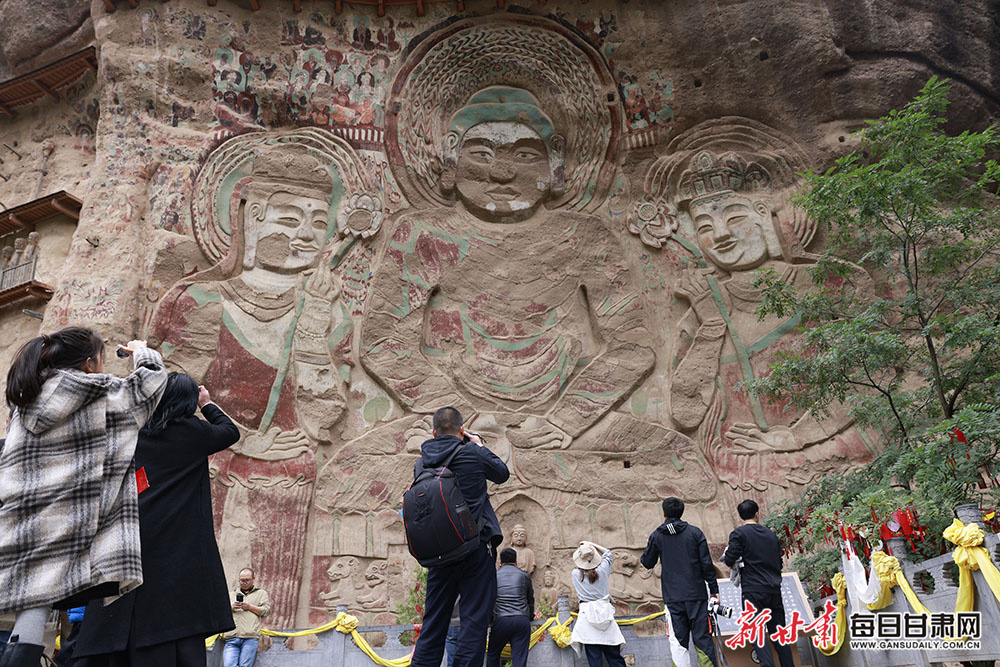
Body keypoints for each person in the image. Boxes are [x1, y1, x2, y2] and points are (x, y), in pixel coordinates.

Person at [0, 328, 167, 665]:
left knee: (32, 602)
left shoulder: (25, 400)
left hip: (20, 518)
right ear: (90, 364)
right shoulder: (97, 393)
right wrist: (142, 351)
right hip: (67, 520)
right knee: (37, 602)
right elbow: (149, 385)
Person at [72, 373, 241, 666]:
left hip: (132, 531)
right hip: (176, 541)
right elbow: (229, 431)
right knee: (169, 617)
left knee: (124, 603)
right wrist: (207, 404)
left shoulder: (136, 431)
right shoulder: (191, 432)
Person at [409, 406, 509, 667]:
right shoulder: (472, 453)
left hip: (440, 553)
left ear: (433, 433)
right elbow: (502, 473)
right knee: (474, 621)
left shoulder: (422, 463)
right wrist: (477, 445)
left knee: (433, 622)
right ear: (462, 430)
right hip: (475, 549)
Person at [640, 497, 718, 667]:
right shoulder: (695, 533)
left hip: (673, 598)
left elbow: (647, 562)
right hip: (697, 595)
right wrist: (713, 589)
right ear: (682, 512)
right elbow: (706, 564)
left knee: (678, 643)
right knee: (703, 640)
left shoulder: (657, 535)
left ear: (664, 513)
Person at [722, 500, 794, 667]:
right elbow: (779, 562)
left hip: (753, 591)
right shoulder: (771, 535)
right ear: (757, 514)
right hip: (774, 590)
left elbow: (730, 558)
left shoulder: (738, 534)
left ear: (740, 516)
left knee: (758, 635)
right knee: (779, 635)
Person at [568, 541, 626, 667]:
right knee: (614, 656)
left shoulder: (575, 574)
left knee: (594, 658)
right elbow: (608, 553)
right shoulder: (603, 570)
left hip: (587, 617)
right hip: (605, 613)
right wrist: (591, 544)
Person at [486, 548, 533, 667]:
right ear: (516, 561)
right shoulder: (524, 575)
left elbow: (489, 600)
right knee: (519, 658)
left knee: (492, 654)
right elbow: (530, 600)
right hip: (521, 620)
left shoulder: (494, 575)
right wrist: (530, 617)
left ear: (500, 562)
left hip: (501, 620)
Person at [222, 568, 270, 667]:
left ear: (253, 579)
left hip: (250, 638)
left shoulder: (261, 593)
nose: (244, 583)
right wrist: (230, 608)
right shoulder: (231, 594)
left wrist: (249, 607)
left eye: (247, 580)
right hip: (231, 638)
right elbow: (220, 612)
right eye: (242, 580)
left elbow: (266, 611)